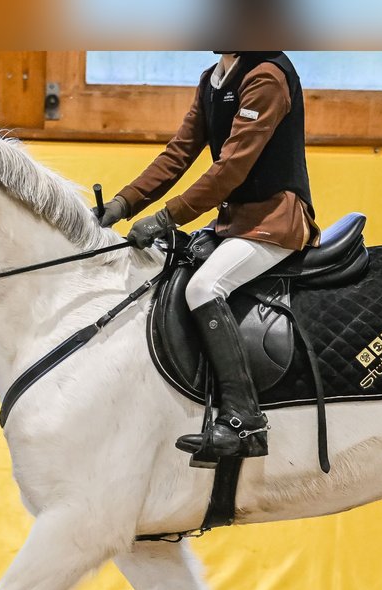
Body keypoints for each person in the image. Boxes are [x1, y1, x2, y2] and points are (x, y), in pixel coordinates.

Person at [98, 51, 319, 464]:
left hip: (274, 221)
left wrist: (167, 216)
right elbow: (179, 152)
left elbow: (230, 169)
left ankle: (244, 420)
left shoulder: (267, 76)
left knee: (204, 287)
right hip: (235, 223)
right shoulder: (214, 79)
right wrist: (123, 202)